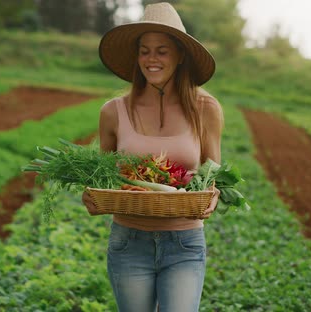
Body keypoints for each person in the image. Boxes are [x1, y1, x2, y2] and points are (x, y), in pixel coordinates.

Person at [81, 2, 223, 311]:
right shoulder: (113, 111)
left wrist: (214, 195)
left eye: (161, 50)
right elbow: (103, 178)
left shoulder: (206, 109)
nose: (151, 59)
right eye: (144, 51)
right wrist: (91, 196)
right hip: (129, 241)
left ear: (180, 55)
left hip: (184, 242)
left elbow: (214, 173)